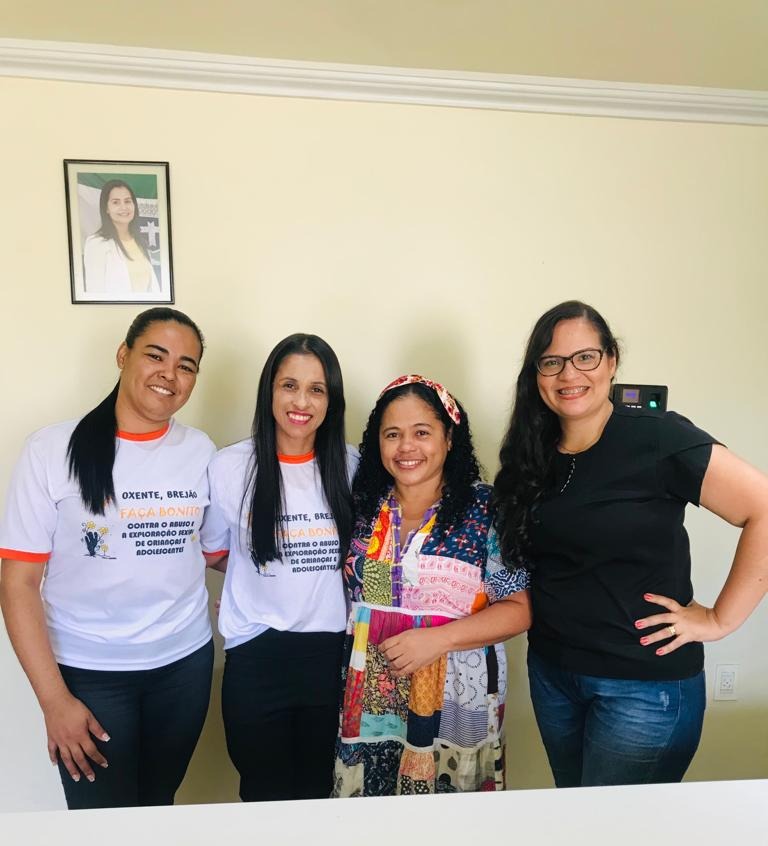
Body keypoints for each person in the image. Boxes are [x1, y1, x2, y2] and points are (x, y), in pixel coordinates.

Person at [494, 300, 768, 788]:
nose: (569, 374)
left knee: (617, 826)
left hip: (643, 689)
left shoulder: (657, 437)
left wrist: (720, 619)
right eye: (551, 362)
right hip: (554, 675)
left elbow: (762, 508)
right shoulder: (532, 453)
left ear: (612, 360)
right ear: (536, 374)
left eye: (585, 357)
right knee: (577, 816)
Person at [0, 307, 216, 809]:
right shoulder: (50, 450)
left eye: (186, 366)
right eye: (156, 356)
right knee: (100, 822)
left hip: (183, 667)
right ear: (123, 355)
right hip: (89, 672)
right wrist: (54, 701)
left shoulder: (201, 451)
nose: (170, 374)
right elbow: (17, 583)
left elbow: (216, 550)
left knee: (158, 806)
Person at [333, 375, 531, 796]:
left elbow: (520, 609)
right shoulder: (363, 507)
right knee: (369, 816)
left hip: (458, 699)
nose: (406, 447)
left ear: (449, 439)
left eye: (422, 432)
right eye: (392, 434)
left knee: (452, 817)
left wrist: (437, 639)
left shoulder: (485, 508)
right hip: (370, 699)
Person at [201, 334, 356, 802]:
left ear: (331, 400)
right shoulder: (230, 466)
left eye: (316, 389)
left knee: (323, 793)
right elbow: (215, 551)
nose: (301, 402)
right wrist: (254, 579)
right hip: (256, 655)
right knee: (263, 795)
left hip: (332, 654)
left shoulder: (353, 466)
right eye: (289, 385)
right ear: (269, 390)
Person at [83, 179, 160, 295]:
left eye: (127, 201)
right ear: (106, 208)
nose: (124, 207)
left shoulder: (140, 242)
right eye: (116, 202)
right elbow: (95, 292)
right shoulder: (96, 243)